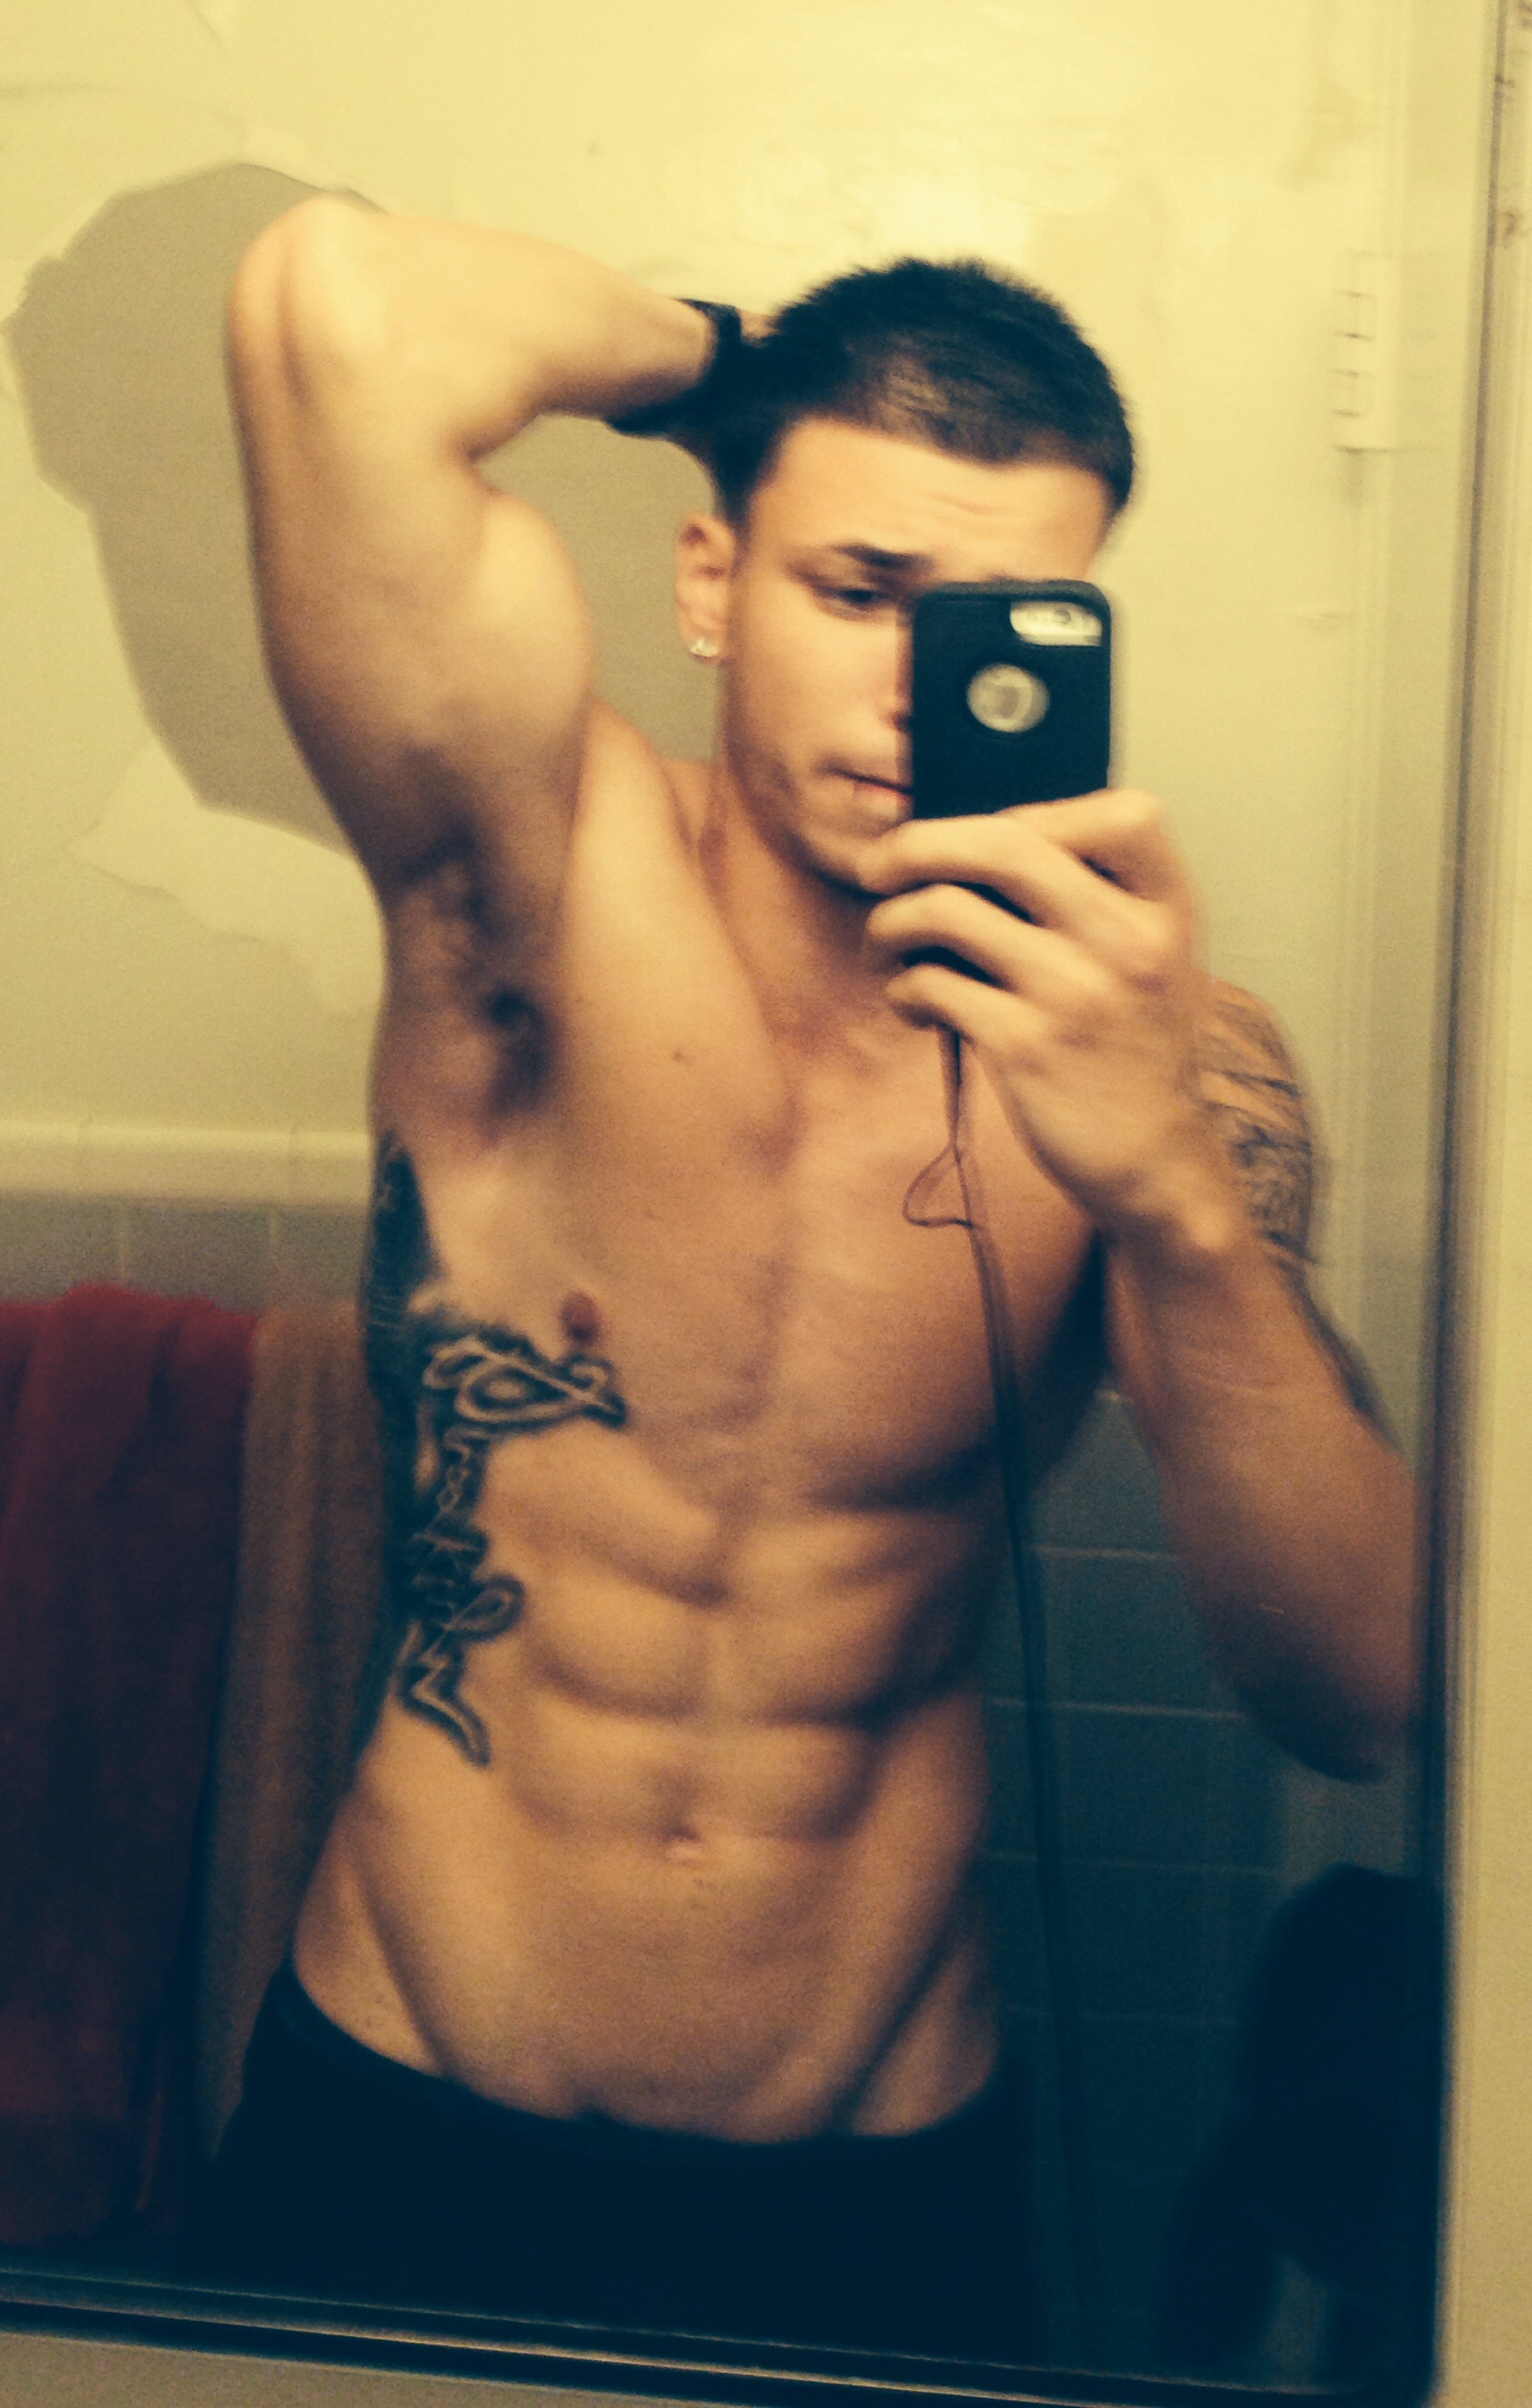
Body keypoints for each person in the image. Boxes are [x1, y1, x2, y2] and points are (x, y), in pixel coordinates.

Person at [190, 201, 1417, 2355]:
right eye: (861, 591)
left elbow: (1361, 1689)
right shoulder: (528, 881)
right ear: (711, 580)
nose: (920, 687)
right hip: (408, 2100)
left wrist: (1172, 1202)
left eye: (1006, 617)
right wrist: (740, 357)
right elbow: (335, 308)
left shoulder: (1158, 1055)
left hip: (876, 2155)